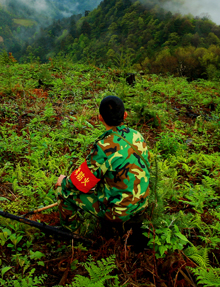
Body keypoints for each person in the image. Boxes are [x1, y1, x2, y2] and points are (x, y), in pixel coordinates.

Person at [56, 95, 151, 231]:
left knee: (63, 191)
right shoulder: (137, 136)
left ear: (100, 118)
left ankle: (72, 233)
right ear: (125, 115)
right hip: (141, 204)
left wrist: (63, 181)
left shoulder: (104, 146)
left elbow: (80, 181)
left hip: (117, 213)